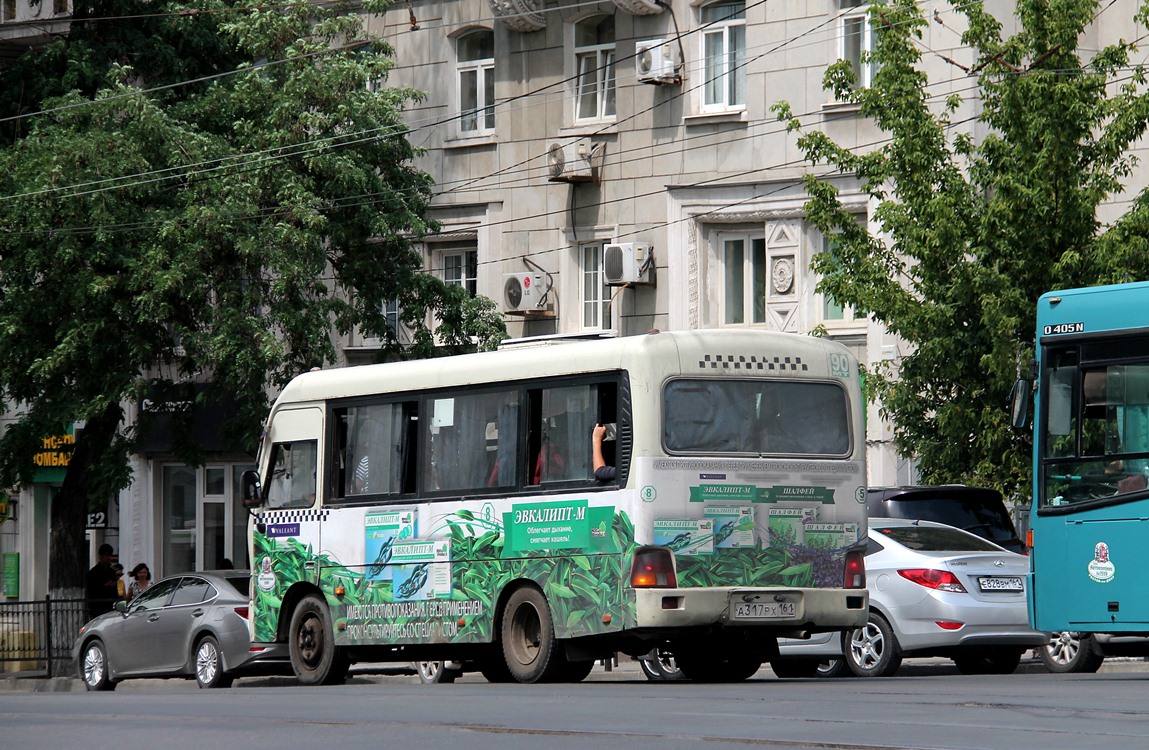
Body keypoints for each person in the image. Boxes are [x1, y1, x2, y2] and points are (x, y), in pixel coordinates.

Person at [85, 544, 119, 619]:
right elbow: (91, 592)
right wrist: (104, 586)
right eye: (106, 555)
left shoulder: (112, 572)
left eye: (110, 555)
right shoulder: (92, 573)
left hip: (110, 608)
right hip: (98, 610)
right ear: (101, 556)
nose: (109, 558)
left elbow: (115, 592)